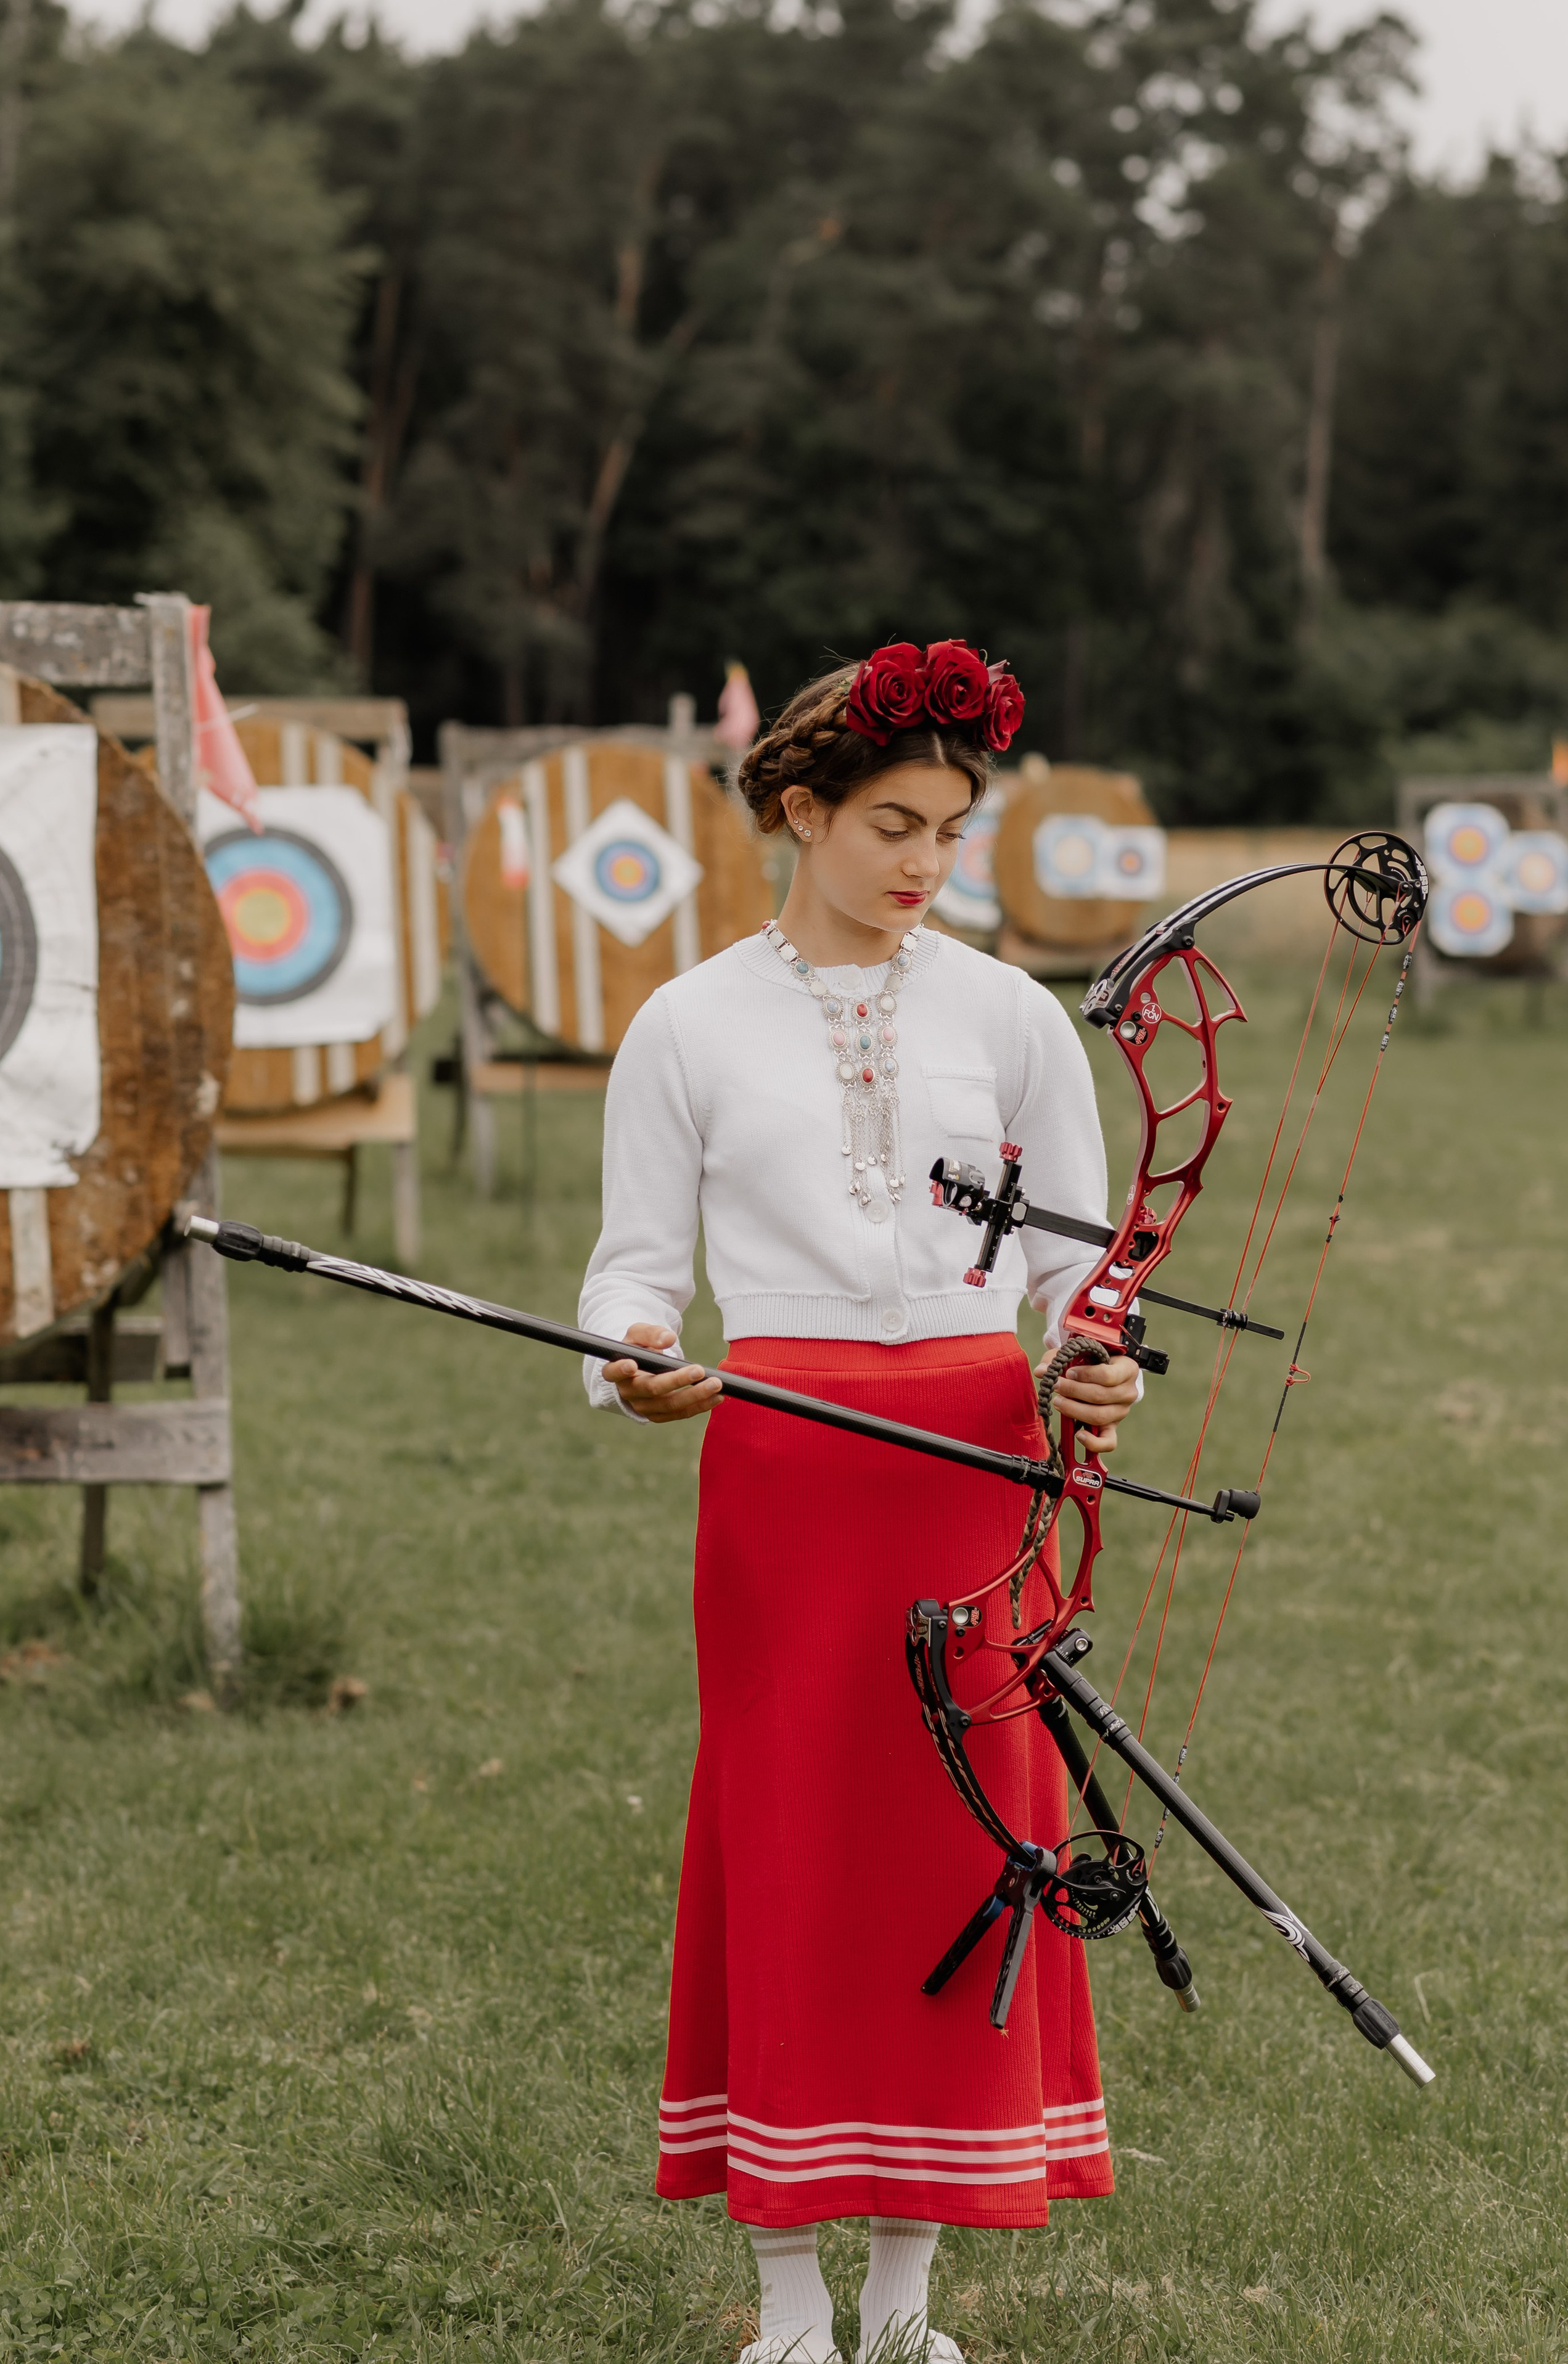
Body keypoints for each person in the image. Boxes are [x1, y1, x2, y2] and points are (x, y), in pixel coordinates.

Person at [580, 641, 1141, 2364]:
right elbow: (626, 1280)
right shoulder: (684, 1024)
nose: (922, 861)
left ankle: (904, 2301)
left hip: (979, 1467)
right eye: (892, 821)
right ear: (798, 808)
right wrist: (638, 1353)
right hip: (787, 1467)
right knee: (800, 1837)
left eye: (951, 833)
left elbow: (1081, 1272)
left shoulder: (1008, 1016)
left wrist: (1091, 1363)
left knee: (962, 1837)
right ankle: (791, 2305)